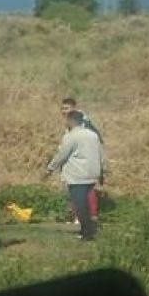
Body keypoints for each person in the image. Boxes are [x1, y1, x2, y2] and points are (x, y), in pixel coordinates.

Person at [46, 110, 104, 241]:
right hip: (92, 174)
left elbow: (62, 155)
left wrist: (50, 169)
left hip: (77, 175)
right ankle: (87, 230)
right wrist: (102, 171)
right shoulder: (93, 135)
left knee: (80, 205)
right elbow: (101, 154)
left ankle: (88, 233)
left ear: (71, 121)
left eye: (66, 120)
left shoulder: (71, 136)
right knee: (86, 204)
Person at [60, 97, 101, 224]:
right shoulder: (73, 122)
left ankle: (85, 217)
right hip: (76, 161)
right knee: (75, 190)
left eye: (66, 108)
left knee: (83, 190)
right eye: (62, 108)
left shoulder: (82, 122)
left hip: (82, 162)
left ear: (74, 108)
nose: (63, 111)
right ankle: (77, 215)